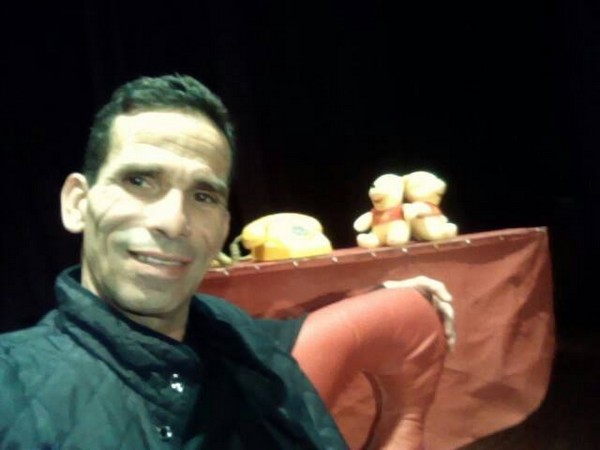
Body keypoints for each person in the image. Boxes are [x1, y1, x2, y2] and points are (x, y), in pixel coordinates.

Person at [0, 74, 454, 449]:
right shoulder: (13, 381)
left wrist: (383, 292)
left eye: (203, 195)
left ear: (222, 227)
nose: (173, 222)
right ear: (77, 203)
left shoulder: (230, 333)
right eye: (139, 180)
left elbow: (292, 331)